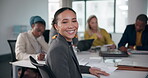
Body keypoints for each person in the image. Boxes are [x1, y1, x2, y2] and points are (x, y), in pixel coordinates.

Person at [46, 7, 109, 78]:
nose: (71, 26)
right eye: (65, 22)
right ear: (56, 26)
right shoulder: (58, 49)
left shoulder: (65, 43)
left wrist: (88, 69)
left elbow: (71, 66)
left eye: (74, 21)